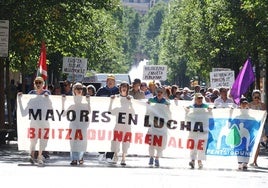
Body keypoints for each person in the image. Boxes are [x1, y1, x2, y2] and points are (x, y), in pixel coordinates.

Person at [18, 76, 51, 165]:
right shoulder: (31, 94)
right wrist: (20, 100)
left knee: (43, 140)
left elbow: (51, 106)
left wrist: (48, 98)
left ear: (43, 84)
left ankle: (40, 156)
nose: (38, 84)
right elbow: (24, 112)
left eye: (40, 82)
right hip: (34, 121)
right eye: (36, 82)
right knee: (33, 140)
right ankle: (32, 156)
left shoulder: (47, 93)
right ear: (34, 84)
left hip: (44, 121)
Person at [96, 74, 119, 162]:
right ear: (106, 81)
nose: (110, 82)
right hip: (103, 117)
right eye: (108, 80)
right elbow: (95, 102)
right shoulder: (101, 91)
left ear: (114, 82)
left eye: (112, 81)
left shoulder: (118, 91)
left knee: (113, 136)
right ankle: (101, 152)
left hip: (114, 117)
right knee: (102, 134)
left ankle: (109, 155)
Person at [110, 82, 133, 166]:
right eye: (122, 86)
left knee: (126, 142)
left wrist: (130, 102)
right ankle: (115, 156)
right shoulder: (116, 97)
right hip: (118, 124)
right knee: (116, 141)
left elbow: (134, 112)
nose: (124, 88)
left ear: (127, 88)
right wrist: (111, 101)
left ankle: (123, 157)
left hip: (127, 124)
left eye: (125, 87)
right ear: (120, 88)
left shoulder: (130, 98)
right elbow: (110, 111)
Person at [147, 87, 170, 167]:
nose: (159, 93)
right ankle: (151, 157)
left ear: (163, 93)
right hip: (153, 125)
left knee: (161, 144)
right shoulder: (151, 100)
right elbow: (147, 110)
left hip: (162, 126)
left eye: (161, 92)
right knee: (151, 143)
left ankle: (157, 158)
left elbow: (169, 114)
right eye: (158, 92)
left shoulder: (166, 102)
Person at [186, 93, 210, 169]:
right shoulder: (192, 107)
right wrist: (186, 109)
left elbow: (210, 109)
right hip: (193, 130)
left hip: (202, 130)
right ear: (195, 99)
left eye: (201, 98)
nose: (200, 100)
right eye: (198, 98)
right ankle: (192, 160)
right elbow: (187, 110)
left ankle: (200, 161)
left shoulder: (205, 106)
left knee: (201, 146)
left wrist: (210, 109)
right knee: (193, 145)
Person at [248, 89, 266, 167]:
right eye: (255, 97)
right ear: (252, 97)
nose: (257, 99)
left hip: (259, 127)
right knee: (250, 144)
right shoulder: (249, 104)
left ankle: (255, 160)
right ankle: (249, 159)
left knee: (257, 144)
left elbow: (265, 115)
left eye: (258, 97)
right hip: (251, 127)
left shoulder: (263, 105)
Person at [237, 96, 250, 170]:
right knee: (239, 146)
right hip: (239, 132)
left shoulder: (250, 111)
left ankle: (245, 162)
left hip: (248, 131)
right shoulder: (237, 111)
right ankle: (239, 162)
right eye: (243, 103)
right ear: (240, 104)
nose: (244, 105)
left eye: (246, 103)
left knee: (247, 147)